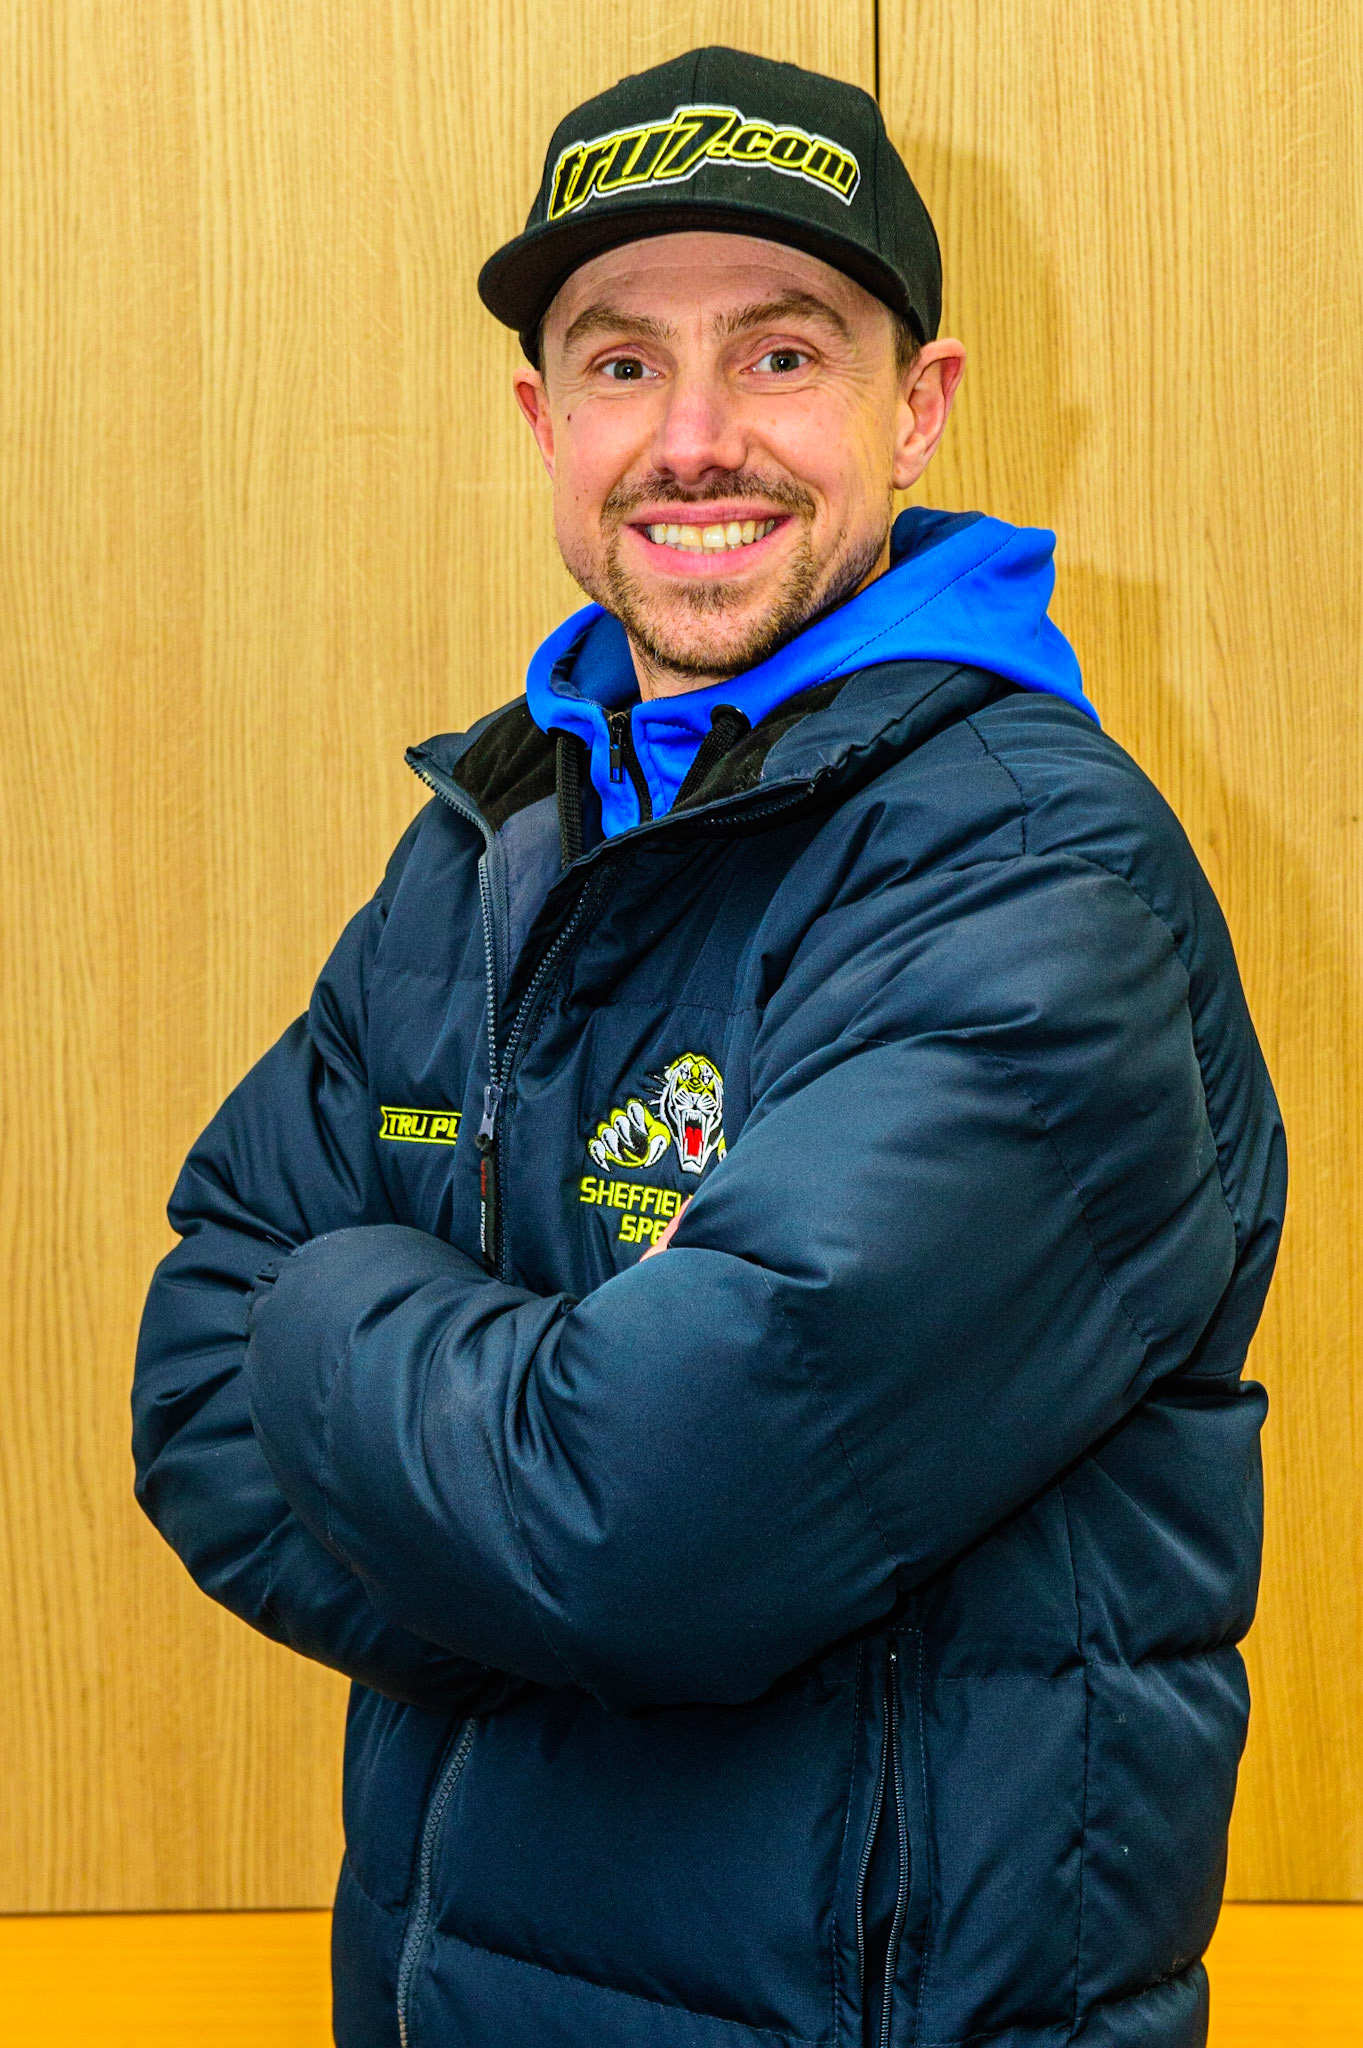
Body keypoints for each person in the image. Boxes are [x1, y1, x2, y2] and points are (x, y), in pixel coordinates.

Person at [131, 46, 1286, 2048]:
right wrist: (550, 1538)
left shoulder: (1033, 877)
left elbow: (632, 1522)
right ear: (540, 418)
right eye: (617, 362)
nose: (692, 439)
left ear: (913, 409)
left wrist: (335, 1313)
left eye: (777, 356)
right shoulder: (492, 839)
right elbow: (186, 1398)